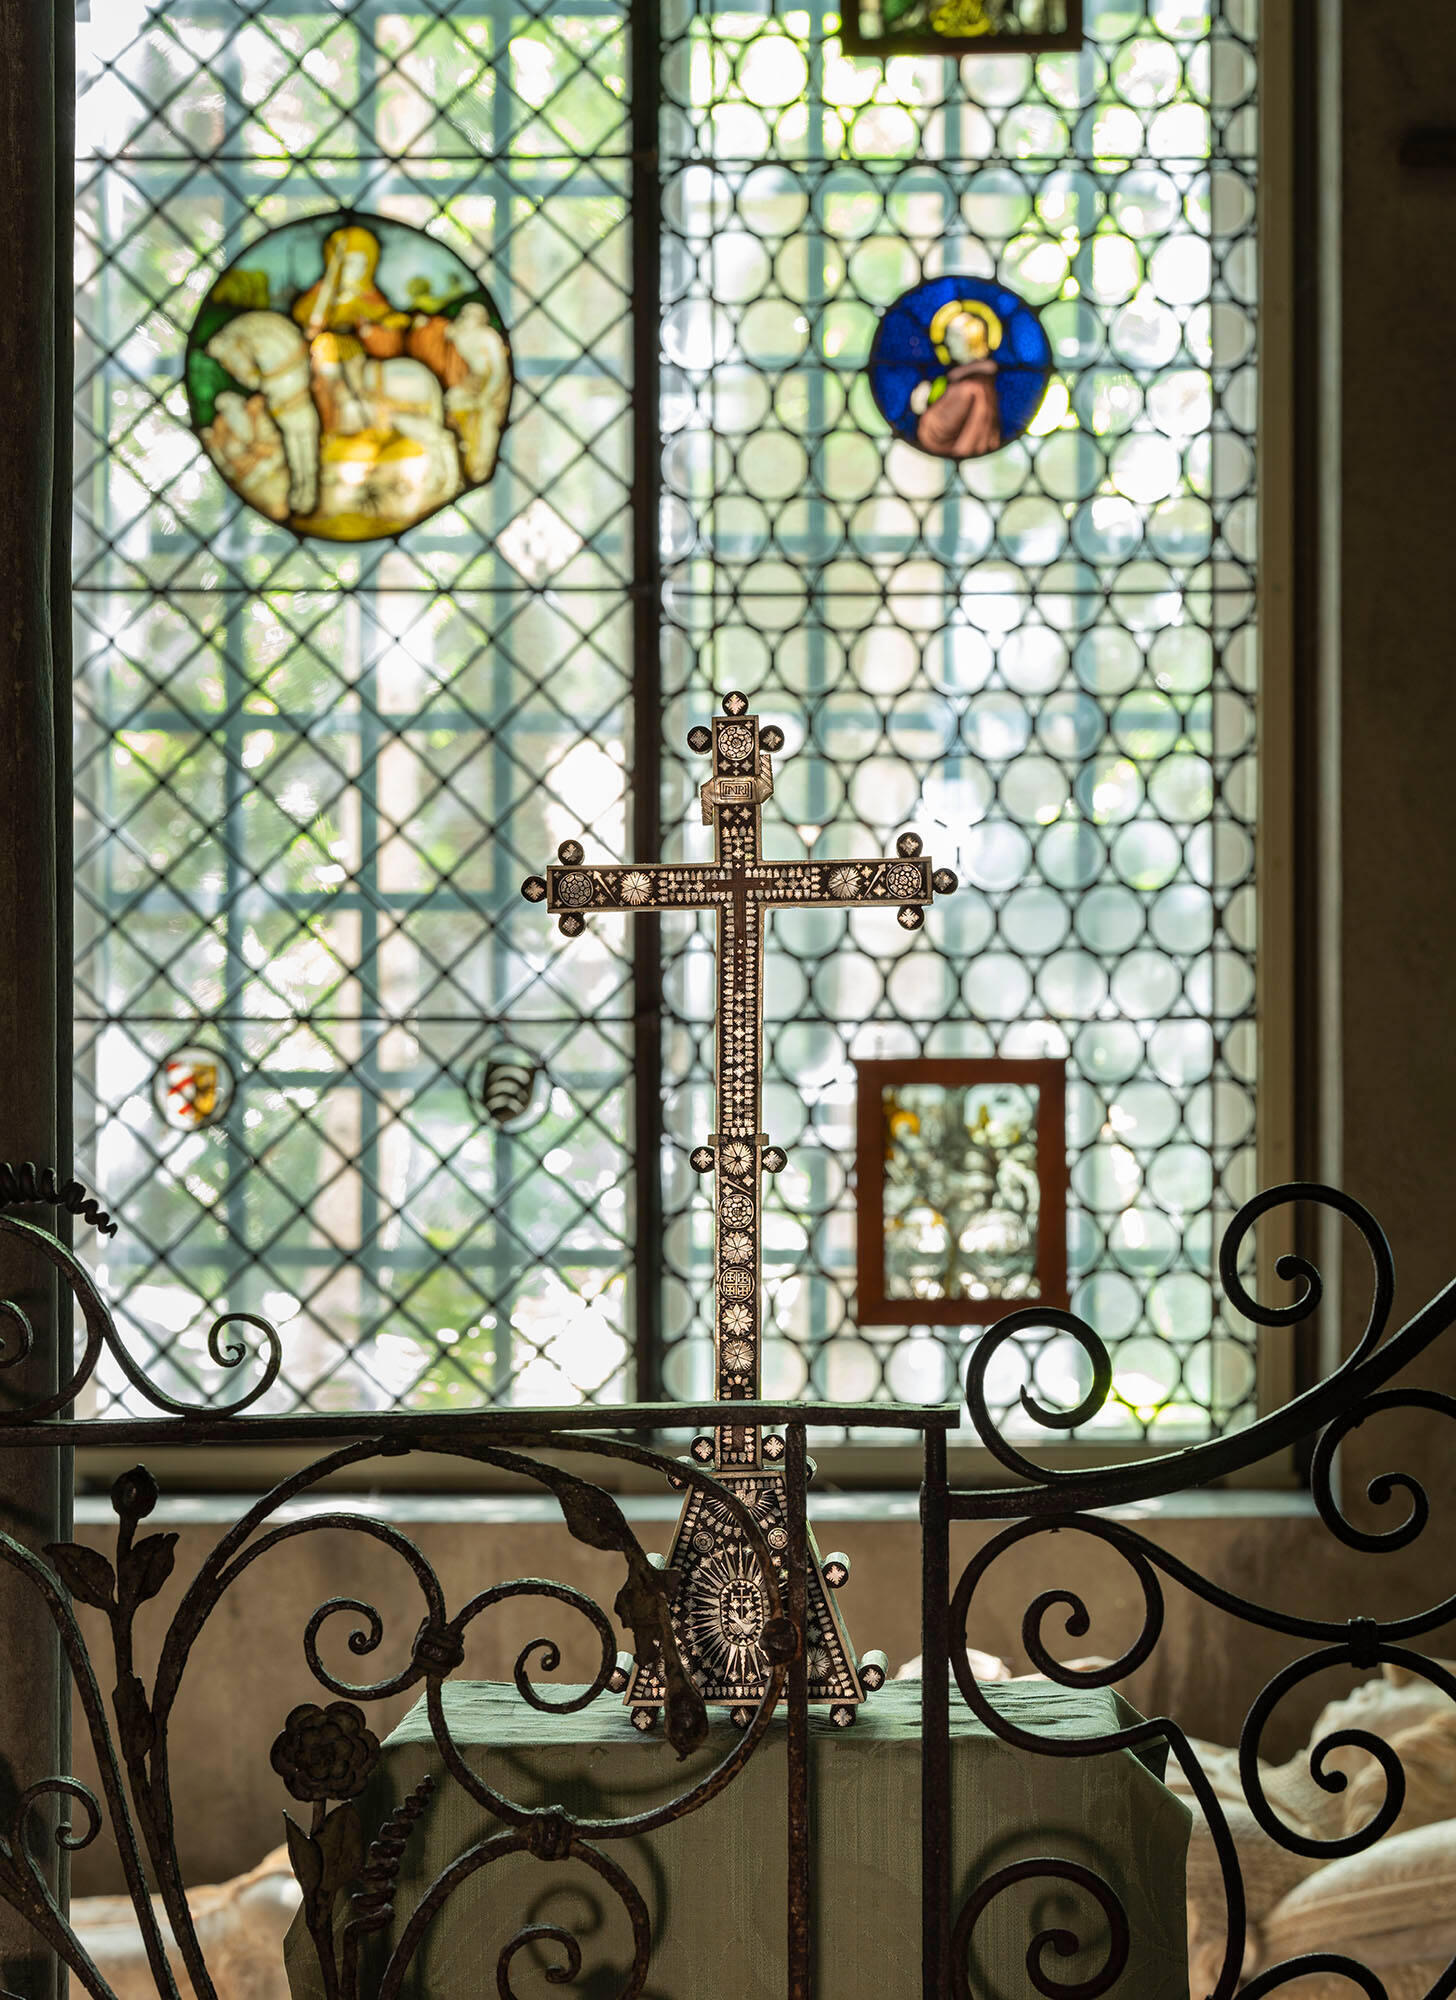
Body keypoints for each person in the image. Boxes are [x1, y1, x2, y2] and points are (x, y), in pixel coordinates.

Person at [909, 298, 1004, 459]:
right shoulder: (976, 380)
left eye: (954, 336)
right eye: (948, 335)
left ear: (972, 340)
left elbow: (936, 433)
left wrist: (921, 406)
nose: (948, 342)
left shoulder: (967, 388)